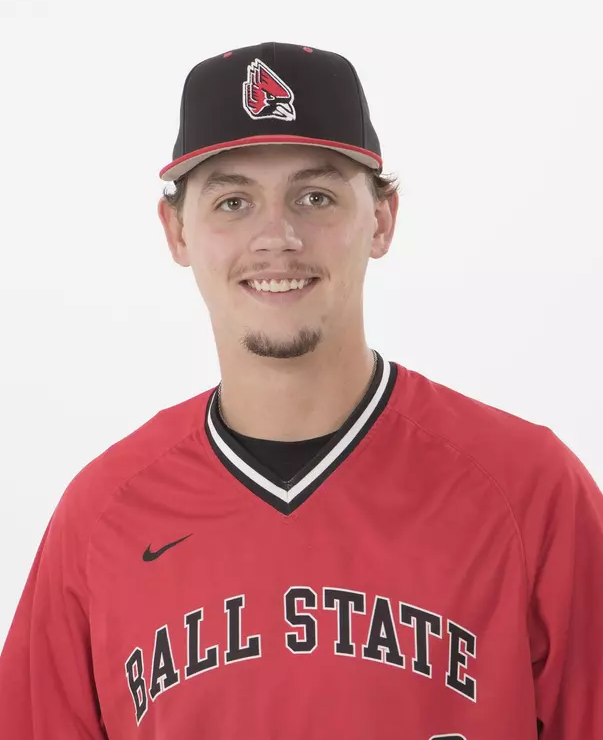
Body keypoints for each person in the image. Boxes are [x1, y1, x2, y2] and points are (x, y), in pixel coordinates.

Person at [0, 41, 601, 740]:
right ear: (176, 230)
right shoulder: (100, 519)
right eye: (232, 200)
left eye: (314, 196)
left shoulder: (528, 491)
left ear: (380, 219)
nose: (276, 236)